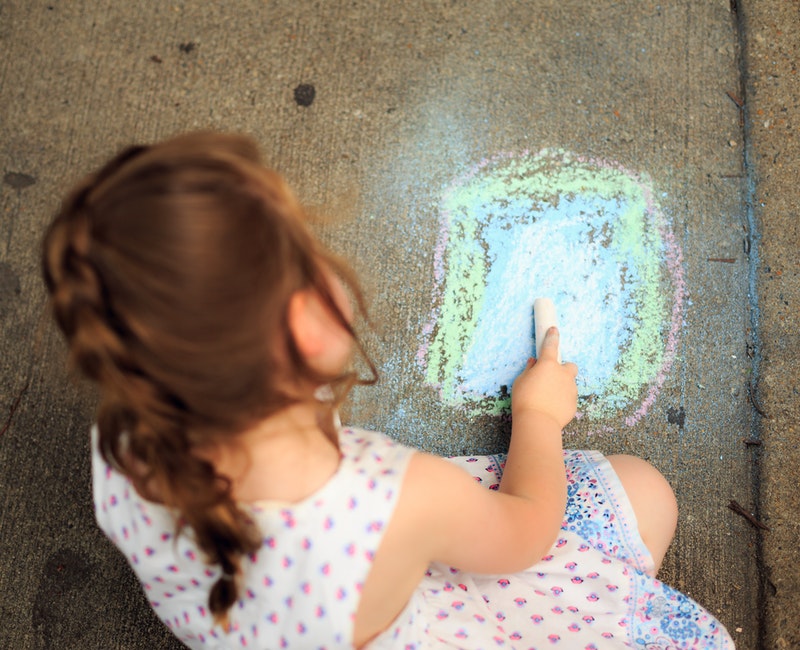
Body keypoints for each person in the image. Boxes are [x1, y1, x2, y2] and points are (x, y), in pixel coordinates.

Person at [42, 132, 734, 649]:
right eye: (307, 248)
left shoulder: (125, 439)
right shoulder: (391, 497)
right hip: (409, 607)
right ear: (308, 326)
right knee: (644, 493)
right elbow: (525, 534)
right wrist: (539, 417)